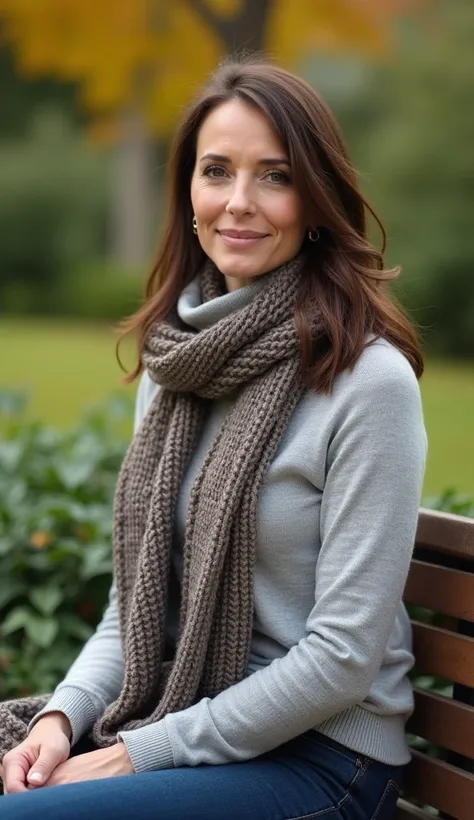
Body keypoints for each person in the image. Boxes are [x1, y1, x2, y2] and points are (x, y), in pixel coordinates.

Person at [0, 57, 427, 819]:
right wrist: (62, 720)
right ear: (188, 194)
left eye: (274, 176)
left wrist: (135, 754)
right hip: (189, 720)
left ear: (317, 200)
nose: (238, 203)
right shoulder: (176, 370)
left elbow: (342, 660)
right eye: (217, 171)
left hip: (328, 761)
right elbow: (131, 612)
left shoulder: (369, 383)